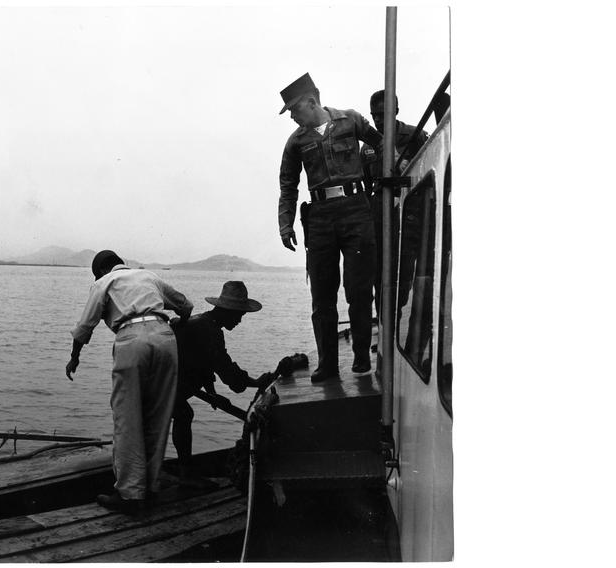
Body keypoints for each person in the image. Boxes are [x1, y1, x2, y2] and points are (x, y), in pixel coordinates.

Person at [66, 250, 193, 514]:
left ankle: (130, 494)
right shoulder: (149, 276)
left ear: (101, 270)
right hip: (165, 337)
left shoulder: (103, 283)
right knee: (159, 417)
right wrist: (176, 325)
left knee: (127, 419)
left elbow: (84, 327)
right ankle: (150, 488)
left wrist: (74, 358)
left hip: (131, 338)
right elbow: (186, 305)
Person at [277, 72, 382, 382]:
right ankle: (328, 365)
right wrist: (285, 225)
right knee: (322, 296)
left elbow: (381, 144)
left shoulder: (350, 121)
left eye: (294, 110)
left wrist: (380, 180)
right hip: (320, 218)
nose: (293, 117)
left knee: (359, 289)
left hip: (356, 211)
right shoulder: (296, 142)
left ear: (311, 102)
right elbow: (288, 185)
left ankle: (362, 357)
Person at [171, 281, 271, 484]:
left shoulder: (205, 323)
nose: (240, 320)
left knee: (181, 414)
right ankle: (185, 474)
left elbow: (205, 363)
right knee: (184, 414)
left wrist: (212, 393)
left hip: (173, 382)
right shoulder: (208, 329)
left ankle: (181, 470)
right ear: (228, 311)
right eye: (239, 315)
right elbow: (225, 369)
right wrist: (255, 382)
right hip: (165, 381)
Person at [360, 90, 429, 318]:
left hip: (408, 213)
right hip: (379, 215)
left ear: (396, 111)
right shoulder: (367, 148)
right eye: (374, 116)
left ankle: (397, 322)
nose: (378, 120)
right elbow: (366, 186)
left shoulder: (415, 136)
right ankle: (384, 327)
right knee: (379, 274)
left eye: (382, 114)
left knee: (404, 271)